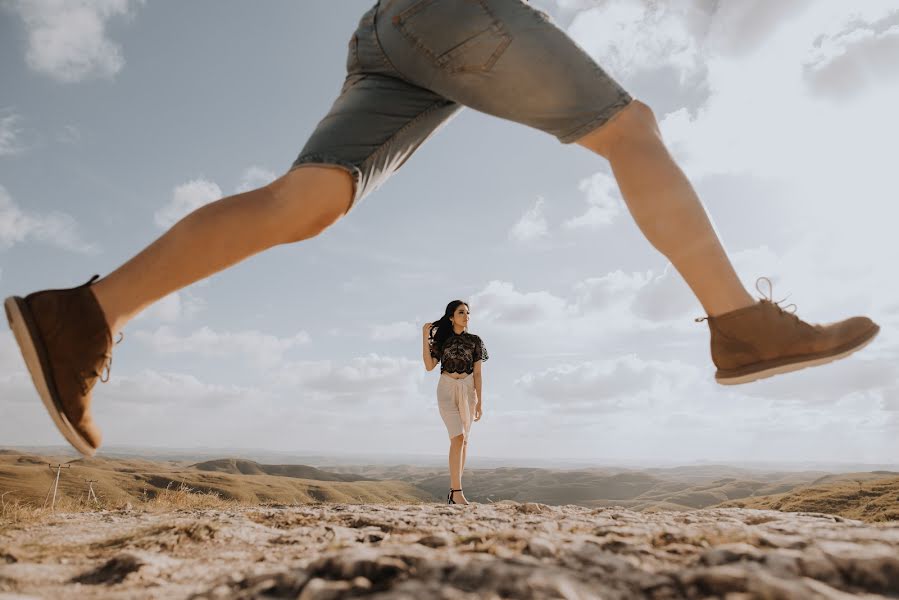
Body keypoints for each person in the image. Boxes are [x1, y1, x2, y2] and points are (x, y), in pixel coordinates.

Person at [3, 0, 879, 458]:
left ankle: (84, 314)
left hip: (387, 31)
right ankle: (740, 326)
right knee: (631, 127)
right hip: (451, 14)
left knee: (303, 203)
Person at [422, 301, 488, 505]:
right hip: (446, 388)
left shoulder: (475, 340)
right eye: (461, 312)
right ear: (451, 317)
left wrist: (479, 402)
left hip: (468, 389)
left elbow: (477, 373)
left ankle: (454, 493)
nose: (466, 316)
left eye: (468, 313)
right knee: (457, 438)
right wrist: (425, 337)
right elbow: (429, 366)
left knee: (464, 441)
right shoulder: (442, 340)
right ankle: (456, 491)